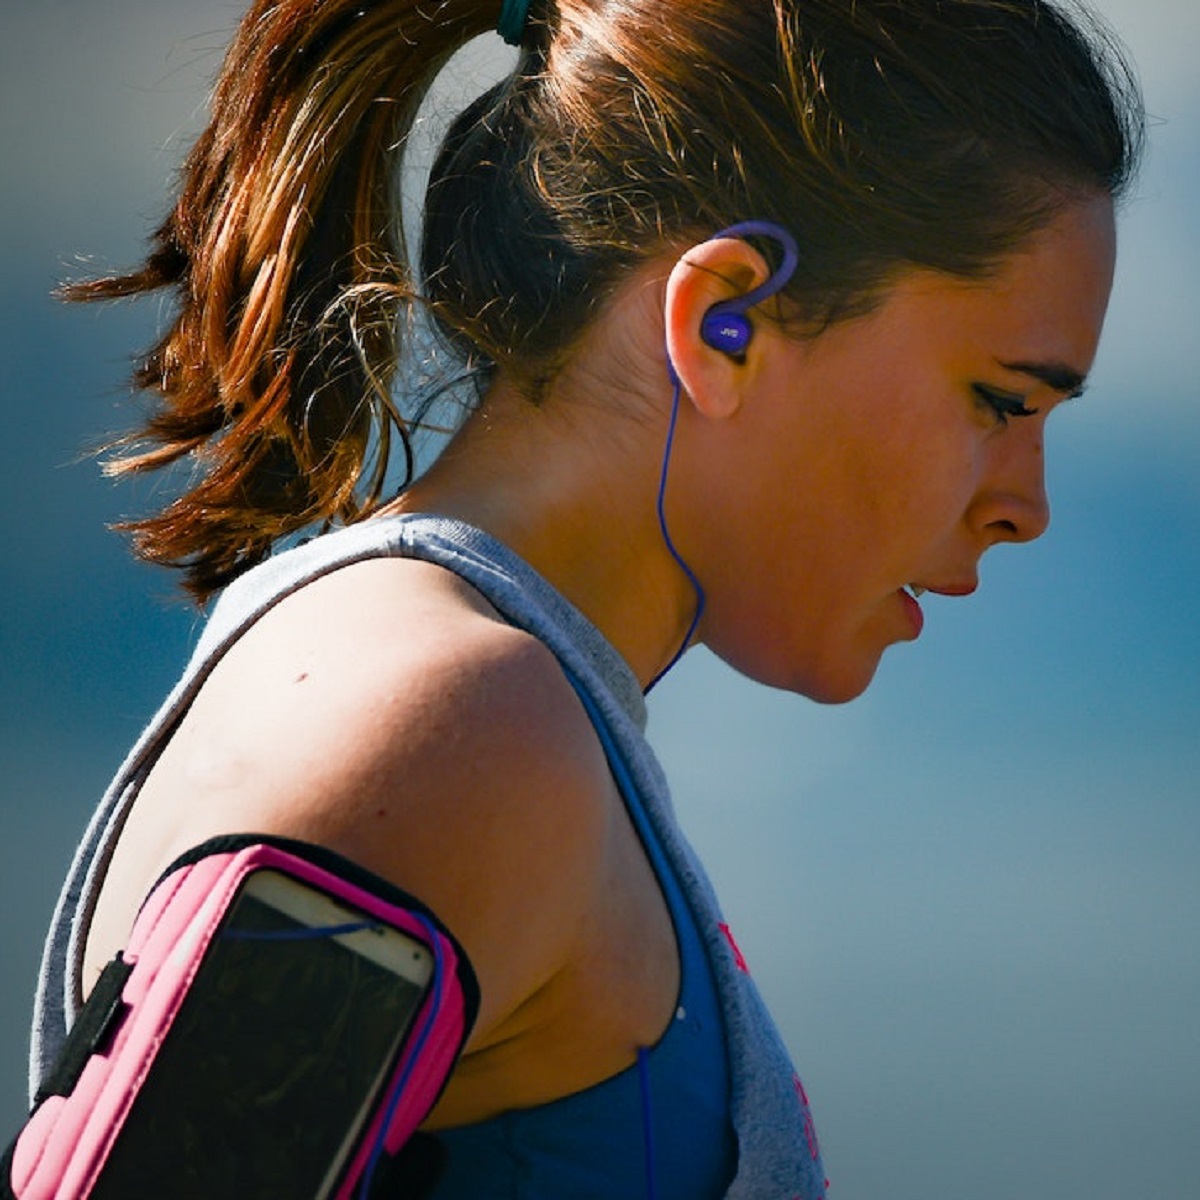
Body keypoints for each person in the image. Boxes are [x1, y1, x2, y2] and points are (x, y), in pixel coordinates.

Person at [28, 0, 1142, 1196]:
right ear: (728, 324)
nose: (1028, 506)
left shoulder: (495, 717)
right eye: (1002, 401)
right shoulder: (453, 735)